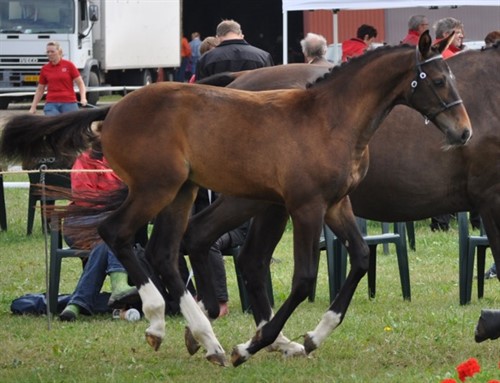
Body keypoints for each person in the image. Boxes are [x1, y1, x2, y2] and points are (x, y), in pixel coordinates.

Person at [59, 143, 139, 321]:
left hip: (110, 228)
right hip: (81, 223)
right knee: (114, 234)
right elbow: (84, 198)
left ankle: (76, 304)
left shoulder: (125, 160)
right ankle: (118, 286)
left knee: (106, 242)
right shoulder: (85, 160)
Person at [196, 19, 274, 80]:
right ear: (241, 35)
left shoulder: (206, 59)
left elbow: (199, 91)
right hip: (252, 99)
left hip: (218, 100)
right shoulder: (263, 56)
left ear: (217, 37)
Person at [29, 41, 87, 115]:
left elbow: (80, 83)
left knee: (71, 125)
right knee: (52, 124)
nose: (49, 54)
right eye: (48, 52)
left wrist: (83, 98)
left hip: (69, 102)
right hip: (51, 103)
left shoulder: (69, 65)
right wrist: (33, 107)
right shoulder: (45, 69)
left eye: (52, 52)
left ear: (59, 52)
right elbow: (40, 89)